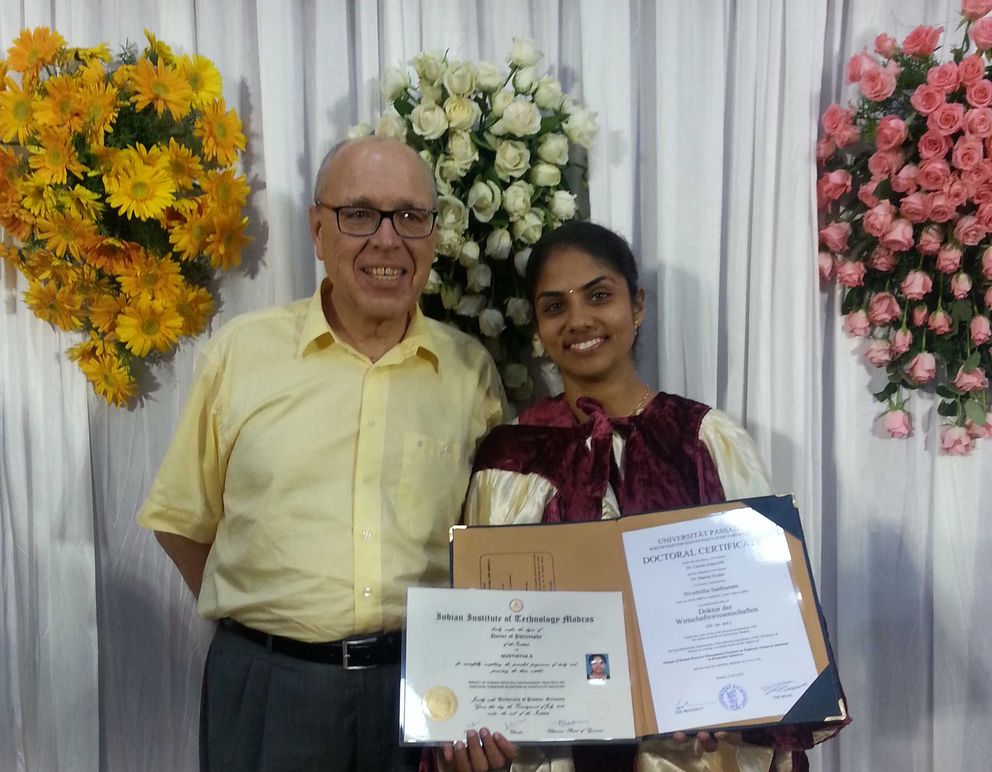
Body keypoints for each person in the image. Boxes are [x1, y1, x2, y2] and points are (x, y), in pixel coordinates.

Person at [138, 136, 515, 772]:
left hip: (423, 695)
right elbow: (181, 521)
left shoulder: (468, 373)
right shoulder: (242, 354)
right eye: (360, 215)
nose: (388, 241)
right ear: (318, 229)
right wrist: (271, 624)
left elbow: (495, 545)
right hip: (269, 692)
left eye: (411, 217)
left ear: (433, 234)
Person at [463, 221, 844, 772]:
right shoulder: (508, 458)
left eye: (599, 296)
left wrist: (734, 695)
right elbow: (483, 628)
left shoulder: (705, 440)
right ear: (538, 328)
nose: (579, 321)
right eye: (554, 307)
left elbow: (768, 622)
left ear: (636, 305)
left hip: (684, 755)